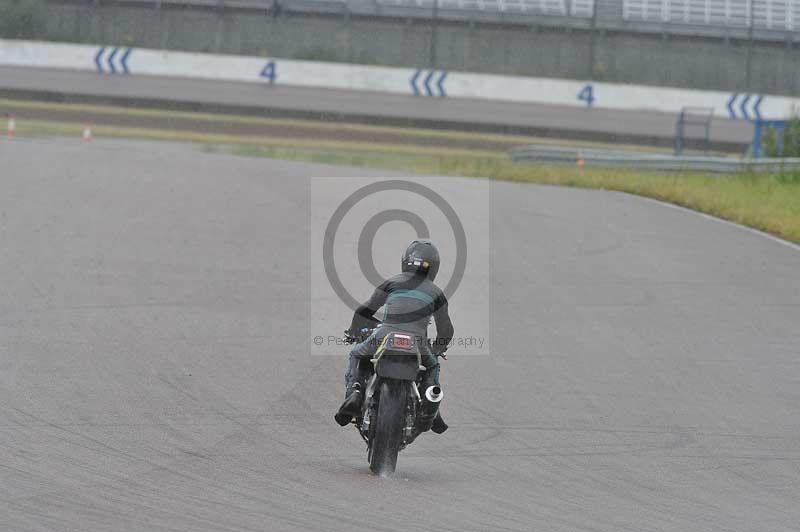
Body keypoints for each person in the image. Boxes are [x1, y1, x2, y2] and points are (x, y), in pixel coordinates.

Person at [334, 239, 453, 433]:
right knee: (432, 365)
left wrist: (353, 332)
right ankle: (431, 406)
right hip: (418, 341)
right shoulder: (436, 293)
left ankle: (355, 392)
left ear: (405, 261)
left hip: (384, 334)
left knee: (356, 354)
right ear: (434, 268)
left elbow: (364, 311)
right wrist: (437, 349)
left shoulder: (392, 282)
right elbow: (446, 330)